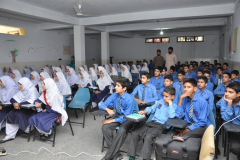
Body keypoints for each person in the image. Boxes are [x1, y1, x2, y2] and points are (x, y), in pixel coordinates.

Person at [128, 86, 177, 160]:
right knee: (135, 133)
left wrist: (170, 103)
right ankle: (131, 156)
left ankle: (145, 158)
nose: (164, 98)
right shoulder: (160, 102)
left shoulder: (174, 106)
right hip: (151, 123)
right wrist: (145, 111)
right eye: (164, 96)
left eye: (167, 96)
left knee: (149, 136)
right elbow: (152, 108)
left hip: (161, 126)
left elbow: (172, 116)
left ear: (172, 97)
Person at [100, 77, 137, 160]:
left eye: (118, 86)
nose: (115, 87)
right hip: (118, 115)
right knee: (105, 127)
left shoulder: (129, 99)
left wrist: (110, 120)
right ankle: (116, 154)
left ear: (124, 88)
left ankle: (108, 157)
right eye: (116, 85)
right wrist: (108, 109)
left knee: (122, 130)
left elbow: (126, 116)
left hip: (129, 118)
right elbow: (102, 104)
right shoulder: (114, 95)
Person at [0, 77, 39, 143]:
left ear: (25, 84)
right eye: (19, 84)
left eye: (21, 84)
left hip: (31, 109)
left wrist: (19, 104)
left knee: (19, 115)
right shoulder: (22, 90)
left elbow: (31, 101)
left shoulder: (32, 90)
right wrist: (15, 103)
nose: (19, 86)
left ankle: (28, 129)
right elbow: (12, 99)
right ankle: (10, 135)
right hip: (22, 108)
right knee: (10, 115)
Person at [216, 82, 240, 159]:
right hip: (234, 129)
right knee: (235, 148)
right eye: (226, 91)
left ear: (238, 94)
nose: (226, 94)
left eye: (230, 92)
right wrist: (229, 104)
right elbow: (226, 119)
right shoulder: (224, 100)